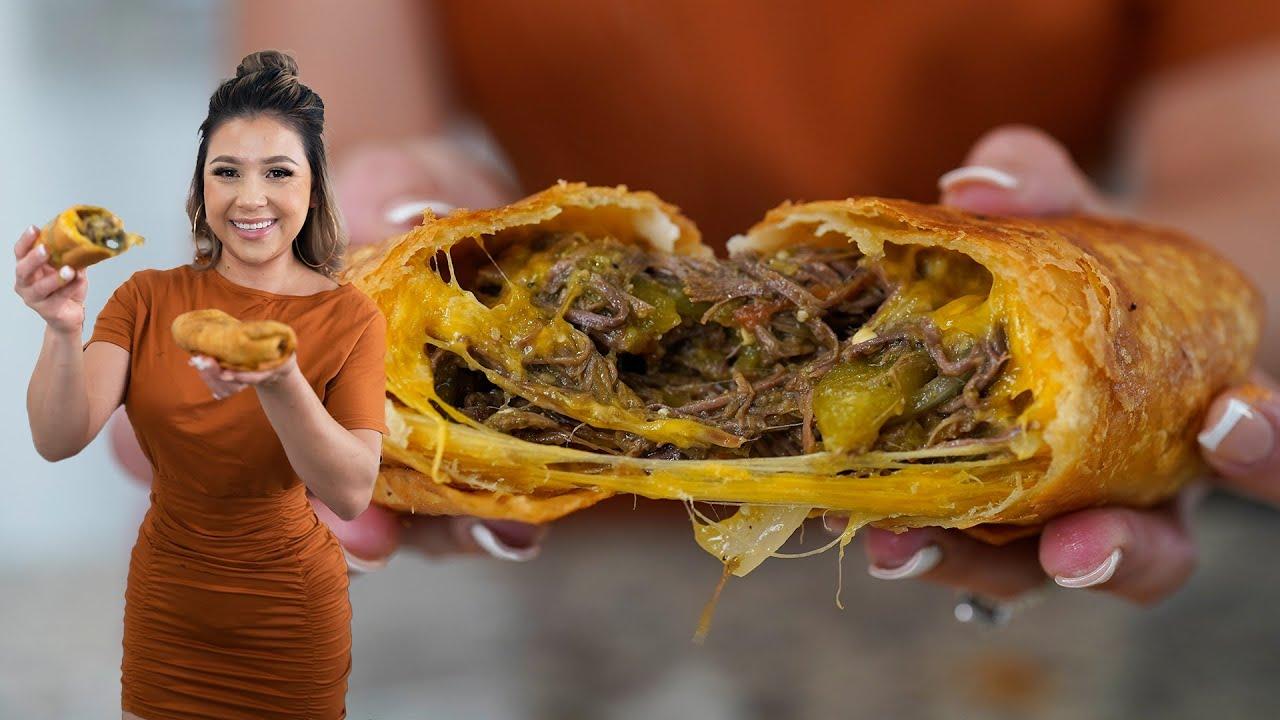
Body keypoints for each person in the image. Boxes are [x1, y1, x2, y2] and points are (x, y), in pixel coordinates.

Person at [115, 3, 1280, 608]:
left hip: (1013, 603)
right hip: (561, 577)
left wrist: (1131, 316)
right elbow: (312, 151)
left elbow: (1253, 178)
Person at [19, 50, 386, 719]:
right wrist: (62, 327)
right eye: (227, 173)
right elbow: (57, 438)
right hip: (169, 609)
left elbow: (353, 489)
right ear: (202, 190)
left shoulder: (349, 315)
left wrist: (280, 382)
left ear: (312, 187)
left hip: (289, 618)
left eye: (278, 172)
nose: (251, 197)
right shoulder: (145, 298)